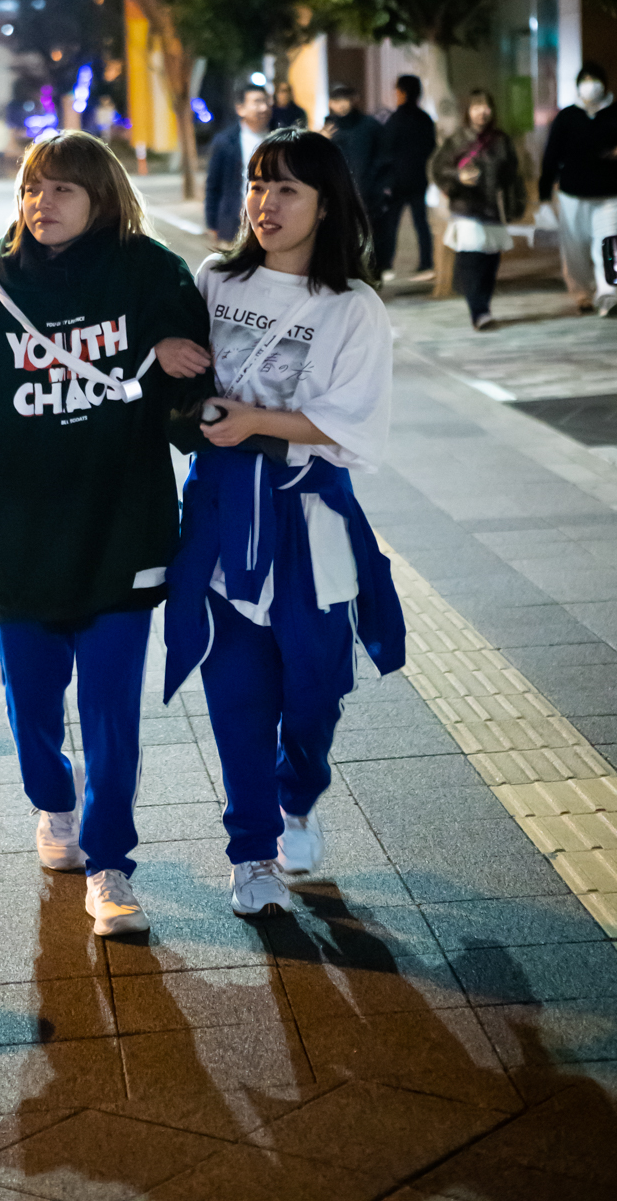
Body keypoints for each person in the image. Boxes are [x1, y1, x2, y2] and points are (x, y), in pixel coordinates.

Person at [0, 130, 212, 937]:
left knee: (114, 715)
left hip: (124, 528)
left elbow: (192, 390)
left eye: (61, 189)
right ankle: (53, 800)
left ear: (101, 198)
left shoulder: (150, 273)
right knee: (31, 706)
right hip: (24, 537)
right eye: (31, 189)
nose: (40, 203)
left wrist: (187, 385)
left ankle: (111, 866)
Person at [163, 129, 406, 918]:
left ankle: (297, 793)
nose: (265, 203)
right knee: (235, 691)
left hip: (310, 519)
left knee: (316, 688)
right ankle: (252, 852)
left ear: (326, 204)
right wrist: (166, 351)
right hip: (222, 517)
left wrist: (257, 422)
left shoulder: (353, 307)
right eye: (258, 184)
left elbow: (355, 427)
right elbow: (178, 379)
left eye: (288, 188)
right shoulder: (215, 278)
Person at [539, 61, 617, 317]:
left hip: (611, 194)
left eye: (594, 80)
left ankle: (608, 295)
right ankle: (581, 293)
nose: (590, 86)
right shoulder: (567, 117)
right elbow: (551, 156)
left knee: (608, 246)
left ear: (604, 84)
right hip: (572, 196)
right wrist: (544, 193)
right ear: (578, 86)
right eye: (585, 81)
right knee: (575, 250)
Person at [430, 89, 525, 331]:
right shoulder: (457, 139)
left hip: (492, 209)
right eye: (476, 107)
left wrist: (514, 205)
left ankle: (483, 306)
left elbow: (512, 177)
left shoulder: (501, 141)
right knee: (473, 257)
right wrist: (458, 176)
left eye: (486, 106)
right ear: (468, 111)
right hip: (466, 207)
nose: (482, 112)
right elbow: (438, 169)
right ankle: (479, 311)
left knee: (489, 261)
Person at [377, 74, 436, 281]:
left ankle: (386, 264)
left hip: (397, 180)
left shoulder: (395, 119)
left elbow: (385, 148)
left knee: (391, 224)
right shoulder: (425, 119)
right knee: (421, 222)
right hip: (419, 177)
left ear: (401, 92)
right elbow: (431, 146)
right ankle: (426, 263)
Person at [204, 83, 272, 245]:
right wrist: (212, 223)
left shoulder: (279, 138)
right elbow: (213, 185)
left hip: (270, 221)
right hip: (234, 223)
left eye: (266, 102)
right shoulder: (225, 141)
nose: (264, 108)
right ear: (240, 109)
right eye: (257, 102)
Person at [321, 82, 387, 217]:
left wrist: (379, 188)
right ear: (330, 104)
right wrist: (321, 141)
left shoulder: (370, 125)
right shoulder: (328, 130)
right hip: (338, 198)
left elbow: (384, 157)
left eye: (344, 100)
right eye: (336, 101)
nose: (341, 105)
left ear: (352, 101)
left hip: (368, 198)